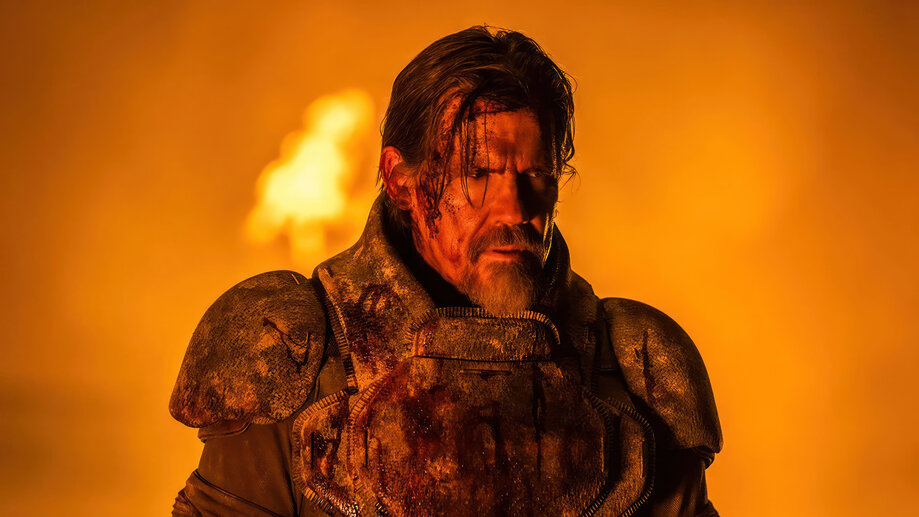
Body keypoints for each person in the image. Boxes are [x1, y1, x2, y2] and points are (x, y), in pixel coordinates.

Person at [170, 26, 722, 517]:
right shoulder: (292, 352)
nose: (514, 209)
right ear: (401, 181)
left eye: (537, 174)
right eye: (477, 173)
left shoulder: (637, 367)